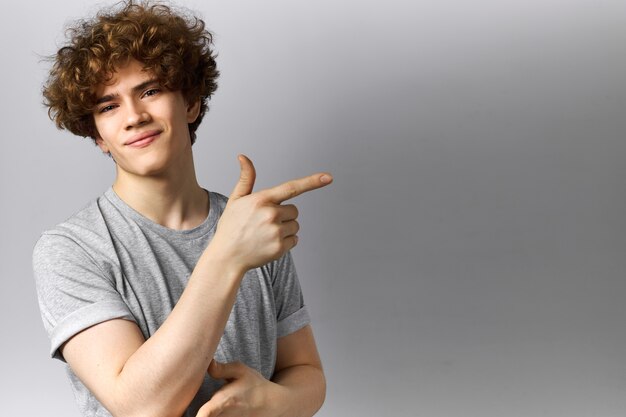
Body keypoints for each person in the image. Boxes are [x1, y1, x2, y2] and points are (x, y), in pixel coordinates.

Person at [32, 2, 331, 416]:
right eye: (108, 106)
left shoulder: (247, 223)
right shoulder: (70, 249)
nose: (134, 116)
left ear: (190, 103)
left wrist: (271, 402)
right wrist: (228, 254)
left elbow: (305, 371)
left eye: (150, 91)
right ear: (98, 135)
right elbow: (142, 406)